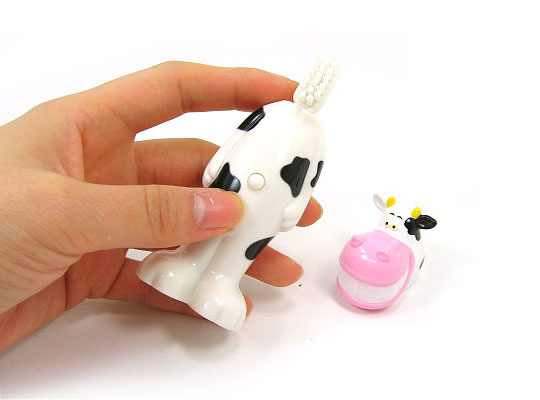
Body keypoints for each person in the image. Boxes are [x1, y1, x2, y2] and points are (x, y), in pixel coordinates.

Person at [0, 61, 323, 351]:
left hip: (267, 212)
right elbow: (239, 137)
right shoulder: (271, 114)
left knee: (242, 246)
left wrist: (294, 205)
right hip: (230, 183)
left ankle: (222, 283)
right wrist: (217, 165)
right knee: (205, 233)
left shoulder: (314, 137)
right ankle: (184, 264)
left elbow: (310, 176)